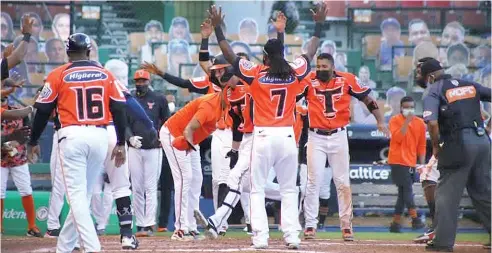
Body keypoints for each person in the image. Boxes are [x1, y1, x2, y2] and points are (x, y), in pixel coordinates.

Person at [208, 3, 326, 249]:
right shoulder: (294, 72)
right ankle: (292, 237)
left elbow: (229, 54)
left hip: (261, 136)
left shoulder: (256, 74)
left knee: (257, 190)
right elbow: (311, 51)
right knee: (289, 191)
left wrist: (218, 29)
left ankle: (260, 239)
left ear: (264, 56)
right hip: (286, 137)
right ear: (282, 54)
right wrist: (319, 24)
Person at [27, 33, 129, 252]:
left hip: (72, 135)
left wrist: (33, 140)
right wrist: (121, 141)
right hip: (100, 136)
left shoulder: (58, 74)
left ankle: (92, 248)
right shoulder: (106, 74)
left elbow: (42, 110)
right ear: (89, 51)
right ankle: (64, 247)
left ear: (68, 52)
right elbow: (119, 108)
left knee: (76, 197)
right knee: (83, 194)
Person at [192, 12, 290, 238]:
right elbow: (237, 120)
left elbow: (278, 60)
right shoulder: (232, 89)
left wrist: (280, 34)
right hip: (246, 136)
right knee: (241, 182)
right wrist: (235, 149)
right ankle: (220, 221)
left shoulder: (255, 81)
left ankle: (289, 197)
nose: (230, 72)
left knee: (254, 185)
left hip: (261, 135)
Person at [300, 53, 388, 241]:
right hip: (316, 135)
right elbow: (291, 97)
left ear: (332, 67)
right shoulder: (308, 80)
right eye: (318, 66)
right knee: (313, 182)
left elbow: (367, 98)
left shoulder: (347, 79)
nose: (321, 69)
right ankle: (310, 224)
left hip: (339, 134)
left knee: (342, 182)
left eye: (325, 66)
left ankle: (346, 225)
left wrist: (380, 120)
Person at [157, 54, 239, 241]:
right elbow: (189, 128)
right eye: (232, 93)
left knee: (196, 180)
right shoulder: (210, 105)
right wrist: (186, 145)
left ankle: (191, 226)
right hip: (175, 134)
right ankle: (179, 229)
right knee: (184, 179)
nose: (234, 96)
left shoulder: (225, 106)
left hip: (191, 139)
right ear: (225, 93)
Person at [420, 58, 491, 251]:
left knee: (446, 195)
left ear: (431, 76)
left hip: (458, 143)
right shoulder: (469, 84)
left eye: (421, 75)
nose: (421, 79)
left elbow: (432, 123)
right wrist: (489, 126)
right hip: (483, 141)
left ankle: (442, 243)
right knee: (484, 194)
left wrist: (435, 146)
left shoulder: (433, 89)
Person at [129, 69, 169, 237]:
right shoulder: (129, 98)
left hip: (153, 147)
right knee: (137, 187)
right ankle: (140, 224)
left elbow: (167, 121)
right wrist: (129, 138)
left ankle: (150, 223)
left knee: (150, 186)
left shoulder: (159, 98)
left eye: (143, 81)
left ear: (149, 81)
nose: (140, 84)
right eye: (138, 81)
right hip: (134, 147)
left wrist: (162, 138)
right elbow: (123, 121)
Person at [0, 96, 41, 237]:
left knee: (26, 190)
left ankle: (32, 226)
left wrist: (22, 145)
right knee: (0, 192)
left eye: (3, 100)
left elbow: (27, 133)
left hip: (18, 157)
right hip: (0, 159)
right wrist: (8, 144)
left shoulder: (18, 112)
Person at [387, 96, 426, 233]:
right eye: (406, 107)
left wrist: (422, 165)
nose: (409, 110)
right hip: (397, 161)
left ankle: (395, 224)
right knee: (407, 189)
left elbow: (421, 145)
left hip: (411, 162)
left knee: (403, 194)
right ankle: (415, 219)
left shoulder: (420, 123)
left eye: (411, 107)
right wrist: (407, 122)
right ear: (401, 108)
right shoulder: (394, 120)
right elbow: (397, 138)